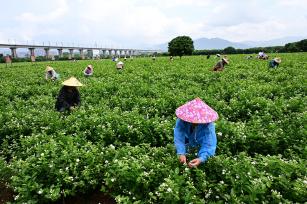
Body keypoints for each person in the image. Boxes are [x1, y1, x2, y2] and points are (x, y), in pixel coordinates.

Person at [174, 98, 218, 168]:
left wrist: (201, 158)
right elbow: (179, 136)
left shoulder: (208, 125)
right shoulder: (182, 120)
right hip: (188, 139)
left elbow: (209, 143)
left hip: (199, 141)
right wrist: (181, 153)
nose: (194, 122)